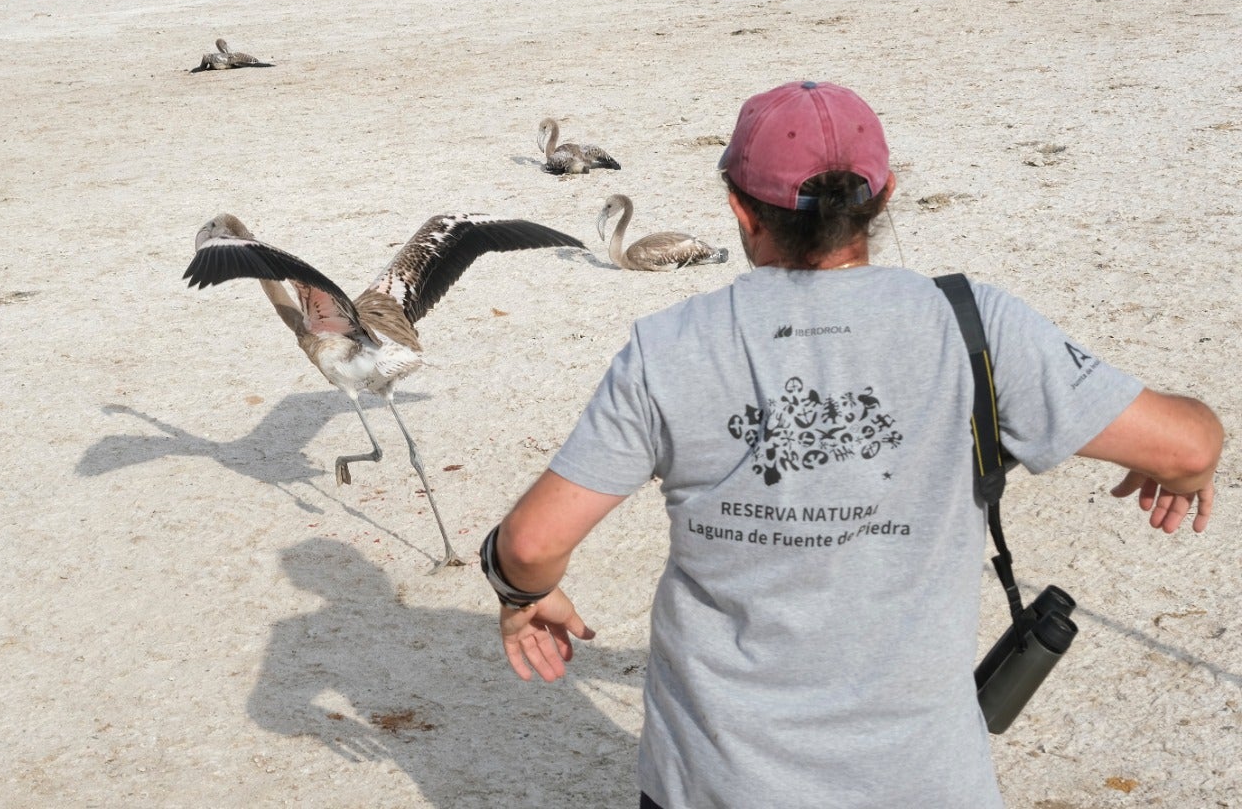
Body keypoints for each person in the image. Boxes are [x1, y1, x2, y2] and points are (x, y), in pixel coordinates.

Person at [480, 80, 1223, 808]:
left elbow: (532, 542)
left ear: (739, 208)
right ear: (886, 195)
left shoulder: (668, 347)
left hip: (714, 782)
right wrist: (1178, 467)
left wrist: (525, 595)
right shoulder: (973, 325)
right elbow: (1188, 445)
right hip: (922, 781)